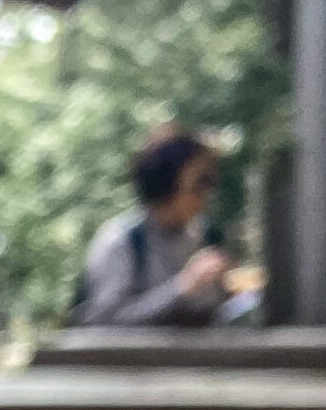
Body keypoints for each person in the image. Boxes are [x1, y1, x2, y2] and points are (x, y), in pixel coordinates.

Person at [69, 130, 231, 329]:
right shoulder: (122, 241)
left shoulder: (199, 238)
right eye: (201, 183)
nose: (207, 193)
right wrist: (181, 287)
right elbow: (103, 320)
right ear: (166, 182)